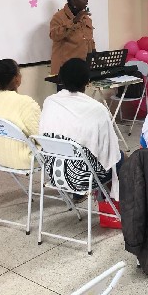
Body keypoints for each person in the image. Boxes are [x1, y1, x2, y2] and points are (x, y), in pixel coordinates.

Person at [39, 58, 124, 200]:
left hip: (54, 173)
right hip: (85, 178)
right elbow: (109, 152)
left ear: (61, 79)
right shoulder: (97, 109)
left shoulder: (50, 102)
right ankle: (108, 202)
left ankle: (79, 193)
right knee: (122, 158)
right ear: (88, 81)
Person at [0, 59, 41, 169]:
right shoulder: (26, 102)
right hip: (28, 159)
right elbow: (40, 135)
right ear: (16, 78)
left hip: (1, 158)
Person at [49, 0, 95, 75]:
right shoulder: (58, 17)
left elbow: (89, 39)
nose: (86, 1)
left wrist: (95, 55)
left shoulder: (86, 18)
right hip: (65, 69)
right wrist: (74, 21)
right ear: (73, 0)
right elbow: (54, 36)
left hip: (83, 67)